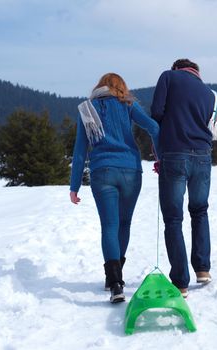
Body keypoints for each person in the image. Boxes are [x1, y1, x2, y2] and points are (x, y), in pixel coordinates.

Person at [70, 73, 159, 303]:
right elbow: (154, 128)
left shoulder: (87, 109)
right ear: (121, 88)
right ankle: (117, 274)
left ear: (99, 86)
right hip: (131, 171)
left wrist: (74, 186)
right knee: (124, 223)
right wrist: (159, 158)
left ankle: (115, 282)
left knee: (109, 225)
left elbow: (80, 151)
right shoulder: (128, 104)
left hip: (103, 172)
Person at [151, 59, 217, 298]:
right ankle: (202, 269)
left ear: (176, 68)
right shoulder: (209, 93)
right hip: (203, 156)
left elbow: (156, 112)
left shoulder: (168, 77)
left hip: (175, 154)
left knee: (173, 218)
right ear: (196, 72)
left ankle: (180, 282)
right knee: (200, 210)